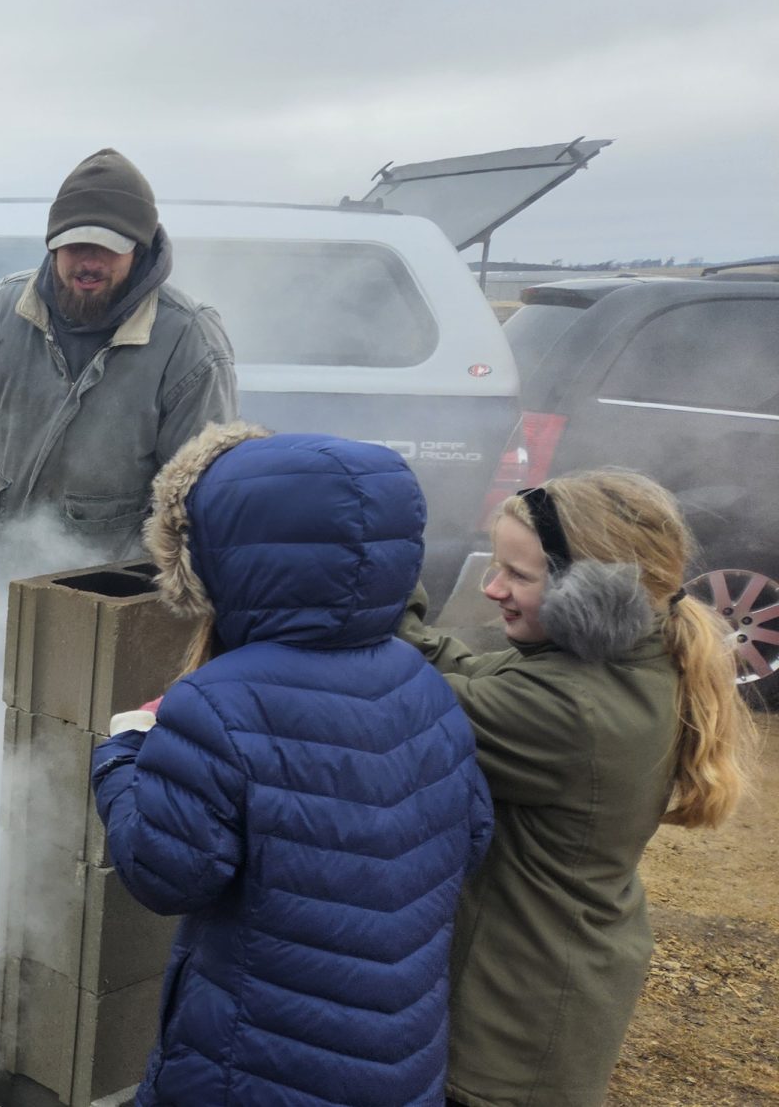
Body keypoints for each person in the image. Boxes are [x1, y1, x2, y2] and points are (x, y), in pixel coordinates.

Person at [90, 423, 493, 1106]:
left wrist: (123, 752)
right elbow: (472, 834)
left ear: (219, 555)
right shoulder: (420, 680)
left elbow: (166, 873)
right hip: (396, 1059)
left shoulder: (216, 702)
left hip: (256, 1062)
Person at [396, 471, 758, 1107]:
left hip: (509, 1033)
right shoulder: (617, 662)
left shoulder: (571, 708)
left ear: (595, 595)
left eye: (519, 575)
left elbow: (397, 696)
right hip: (549, 990)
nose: (492, 588)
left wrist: (351, 576)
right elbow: (462, 668)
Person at [0, 148, 237, 559]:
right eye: (74, 244)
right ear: (53, 244)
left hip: (94, 591)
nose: (89, 262)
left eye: (108, 247)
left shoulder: (190, 341)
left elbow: (193, 501)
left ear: (140, 248)